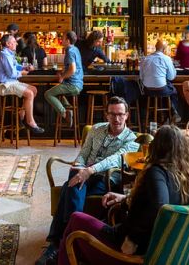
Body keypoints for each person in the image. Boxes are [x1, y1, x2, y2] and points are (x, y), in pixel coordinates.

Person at [54, 125, 189, 264]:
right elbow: (157, 202)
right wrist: (126, 198)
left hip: (125, 247)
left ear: (158, 147)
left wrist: (133, 239)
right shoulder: (182, 174)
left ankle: (58, 254)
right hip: (147, 242)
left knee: (75, 218)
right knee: (74, 209)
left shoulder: (157, 172)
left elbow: (159, 206)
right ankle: (61, 254)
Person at [36, 96, 139, 265]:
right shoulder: (97, 129)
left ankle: (56, 242)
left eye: (120, 114)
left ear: (127, 115)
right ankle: (68, 239)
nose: (116, 118)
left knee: (68, 189)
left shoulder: (131, 140)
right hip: (85, 171)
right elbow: (83, 154)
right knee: (74, 177)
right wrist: (80, 166)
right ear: (106, 115)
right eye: (112, 114)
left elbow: (114, 160)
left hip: (105, 178)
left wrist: (89, 170)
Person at [0, 34, 44, 133]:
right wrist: (22, 73)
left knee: (34, 89)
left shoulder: (9, 53)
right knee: (29, 94)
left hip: (11, 82)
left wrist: (25, 67)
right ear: (8, 44)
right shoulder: (4, 54)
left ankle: (20, 114)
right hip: (3, 85)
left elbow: (16, 66)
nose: (16, 43)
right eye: (14, 42)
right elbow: (11, 73)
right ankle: (30, 122)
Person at [139, 39, 181, 123]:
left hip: (147, 91)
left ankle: (154, 119)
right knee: (173, 91)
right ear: (165, 50)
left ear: (155, 47)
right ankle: (173, 113)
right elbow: (172, 77)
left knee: (166, 87)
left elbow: (141, 77)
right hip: (162, 90)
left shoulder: (145, 59)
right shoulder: (166, 59)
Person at [45, 31, 83, 124]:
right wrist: (63, 72)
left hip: (72, 85)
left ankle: (65, 113)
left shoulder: (70, 51)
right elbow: (72, 67)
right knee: (57, 92)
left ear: (68, 40)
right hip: (78, 84)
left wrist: (62, 76)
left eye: (63, 38)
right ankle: (68, 109)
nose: (61, 39)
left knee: (48, 94)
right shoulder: (75, 49)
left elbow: (73, 69)